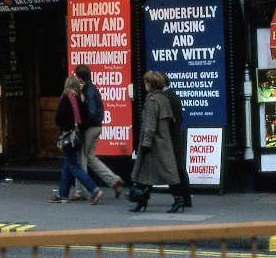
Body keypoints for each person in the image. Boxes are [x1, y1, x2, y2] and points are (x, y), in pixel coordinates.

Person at [71, 64, 124, 201]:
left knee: (81, 159)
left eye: (75, 75)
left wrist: (82, 125)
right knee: (91, 158)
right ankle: (114, 180)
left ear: (79, 76)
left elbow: (92, 112)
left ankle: (81, 191)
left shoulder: (87, 91)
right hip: (97, 127)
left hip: (90, 128)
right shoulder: (92, 88)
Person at [129, 71, 180, 213]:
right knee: (154, 173)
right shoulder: (163, 98)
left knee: (155, 173)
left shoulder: (152, 101)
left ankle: (177, 199)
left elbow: (150, 126)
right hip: (163, 141)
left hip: (154, 144)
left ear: (150, 84)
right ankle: (143, 200)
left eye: (146, 83)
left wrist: (146, 143)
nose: (145, 85)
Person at [49, 75, 103, 204]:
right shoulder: (81, 98)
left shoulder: (66, 98)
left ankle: (94, 189)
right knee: (67, 165)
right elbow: (85, 118)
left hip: (69, 136)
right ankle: (63, 195)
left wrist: (65, 126)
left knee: (73, 165)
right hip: (78, 136)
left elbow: (58, 119)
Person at [160, 71, 192, 209]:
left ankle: (180, 197)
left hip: (170, 138)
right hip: (175, 136)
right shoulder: (172, 95)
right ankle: (185, 197)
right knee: (178, 168)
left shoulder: (165, 97)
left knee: (174, 169)